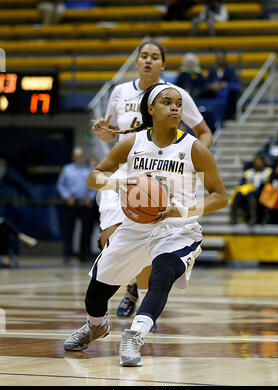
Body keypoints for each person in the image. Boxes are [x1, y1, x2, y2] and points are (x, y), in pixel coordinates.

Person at [64, 83, 228, 367]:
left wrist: (182, 209)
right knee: (96, 292)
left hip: (178, 229)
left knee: (161, 275)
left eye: (178, 102)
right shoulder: (133, 143)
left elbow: (220, 197)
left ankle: (135, 334)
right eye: (167, 102)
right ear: (150, 109)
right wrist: (119, 184)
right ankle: (95, 326)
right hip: (134, 227)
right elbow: (94, 177)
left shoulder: (194, 148)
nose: (175, 107)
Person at [91, 40, 213, 320]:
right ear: (136, 61)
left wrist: (196, 156)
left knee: (151, 234)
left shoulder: (176, 94)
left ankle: (145, 304)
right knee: (108, 237)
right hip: (124, 171)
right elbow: (113, 133)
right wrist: (103, 132)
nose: (148, 61)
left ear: (163, 64)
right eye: (143, 55)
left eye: (154, 57)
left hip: (160, 171)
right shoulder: (120, 92)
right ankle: (131, 286)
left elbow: (203, 131)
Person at [56, 147, 96, 263]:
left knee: (86, 230)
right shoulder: (66, 169)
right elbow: (60, 185)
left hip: (85, 204)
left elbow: (95, 185)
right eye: (76, 156)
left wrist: (90, 197)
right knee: (69, 229)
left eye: (81, 156)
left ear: (84, 157)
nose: (79, 158)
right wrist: (67, 196)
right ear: (73, 157)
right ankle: (67, 255)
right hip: (71, 204)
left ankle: (84, 255)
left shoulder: (90, 170)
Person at [229, 155, 272, 225]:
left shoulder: (268, 171)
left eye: (259, 161)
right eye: (256, 161)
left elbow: (268, 183)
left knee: (251, 195)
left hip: (261, 191)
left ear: (263, 162)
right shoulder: (249, 172)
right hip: (248, 190)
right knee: (237, 194)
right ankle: (233, 217)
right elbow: (241, 183)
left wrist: (258, 185)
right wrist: (246, 182)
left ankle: (253, 217)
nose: (257, 163)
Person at [203, 51, 242, 119]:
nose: (220, 60)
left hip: (226, 90)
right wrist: (212, 86)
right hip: (214, 91)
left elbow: (233, 81)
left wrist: (223, 85)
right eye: (218, 58)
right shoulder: (212, 70)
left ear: (225, 59)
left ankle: (227, 114)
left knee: (231, 93)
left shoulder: (230, 69)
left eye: (221, 58)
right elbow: (208, 82)